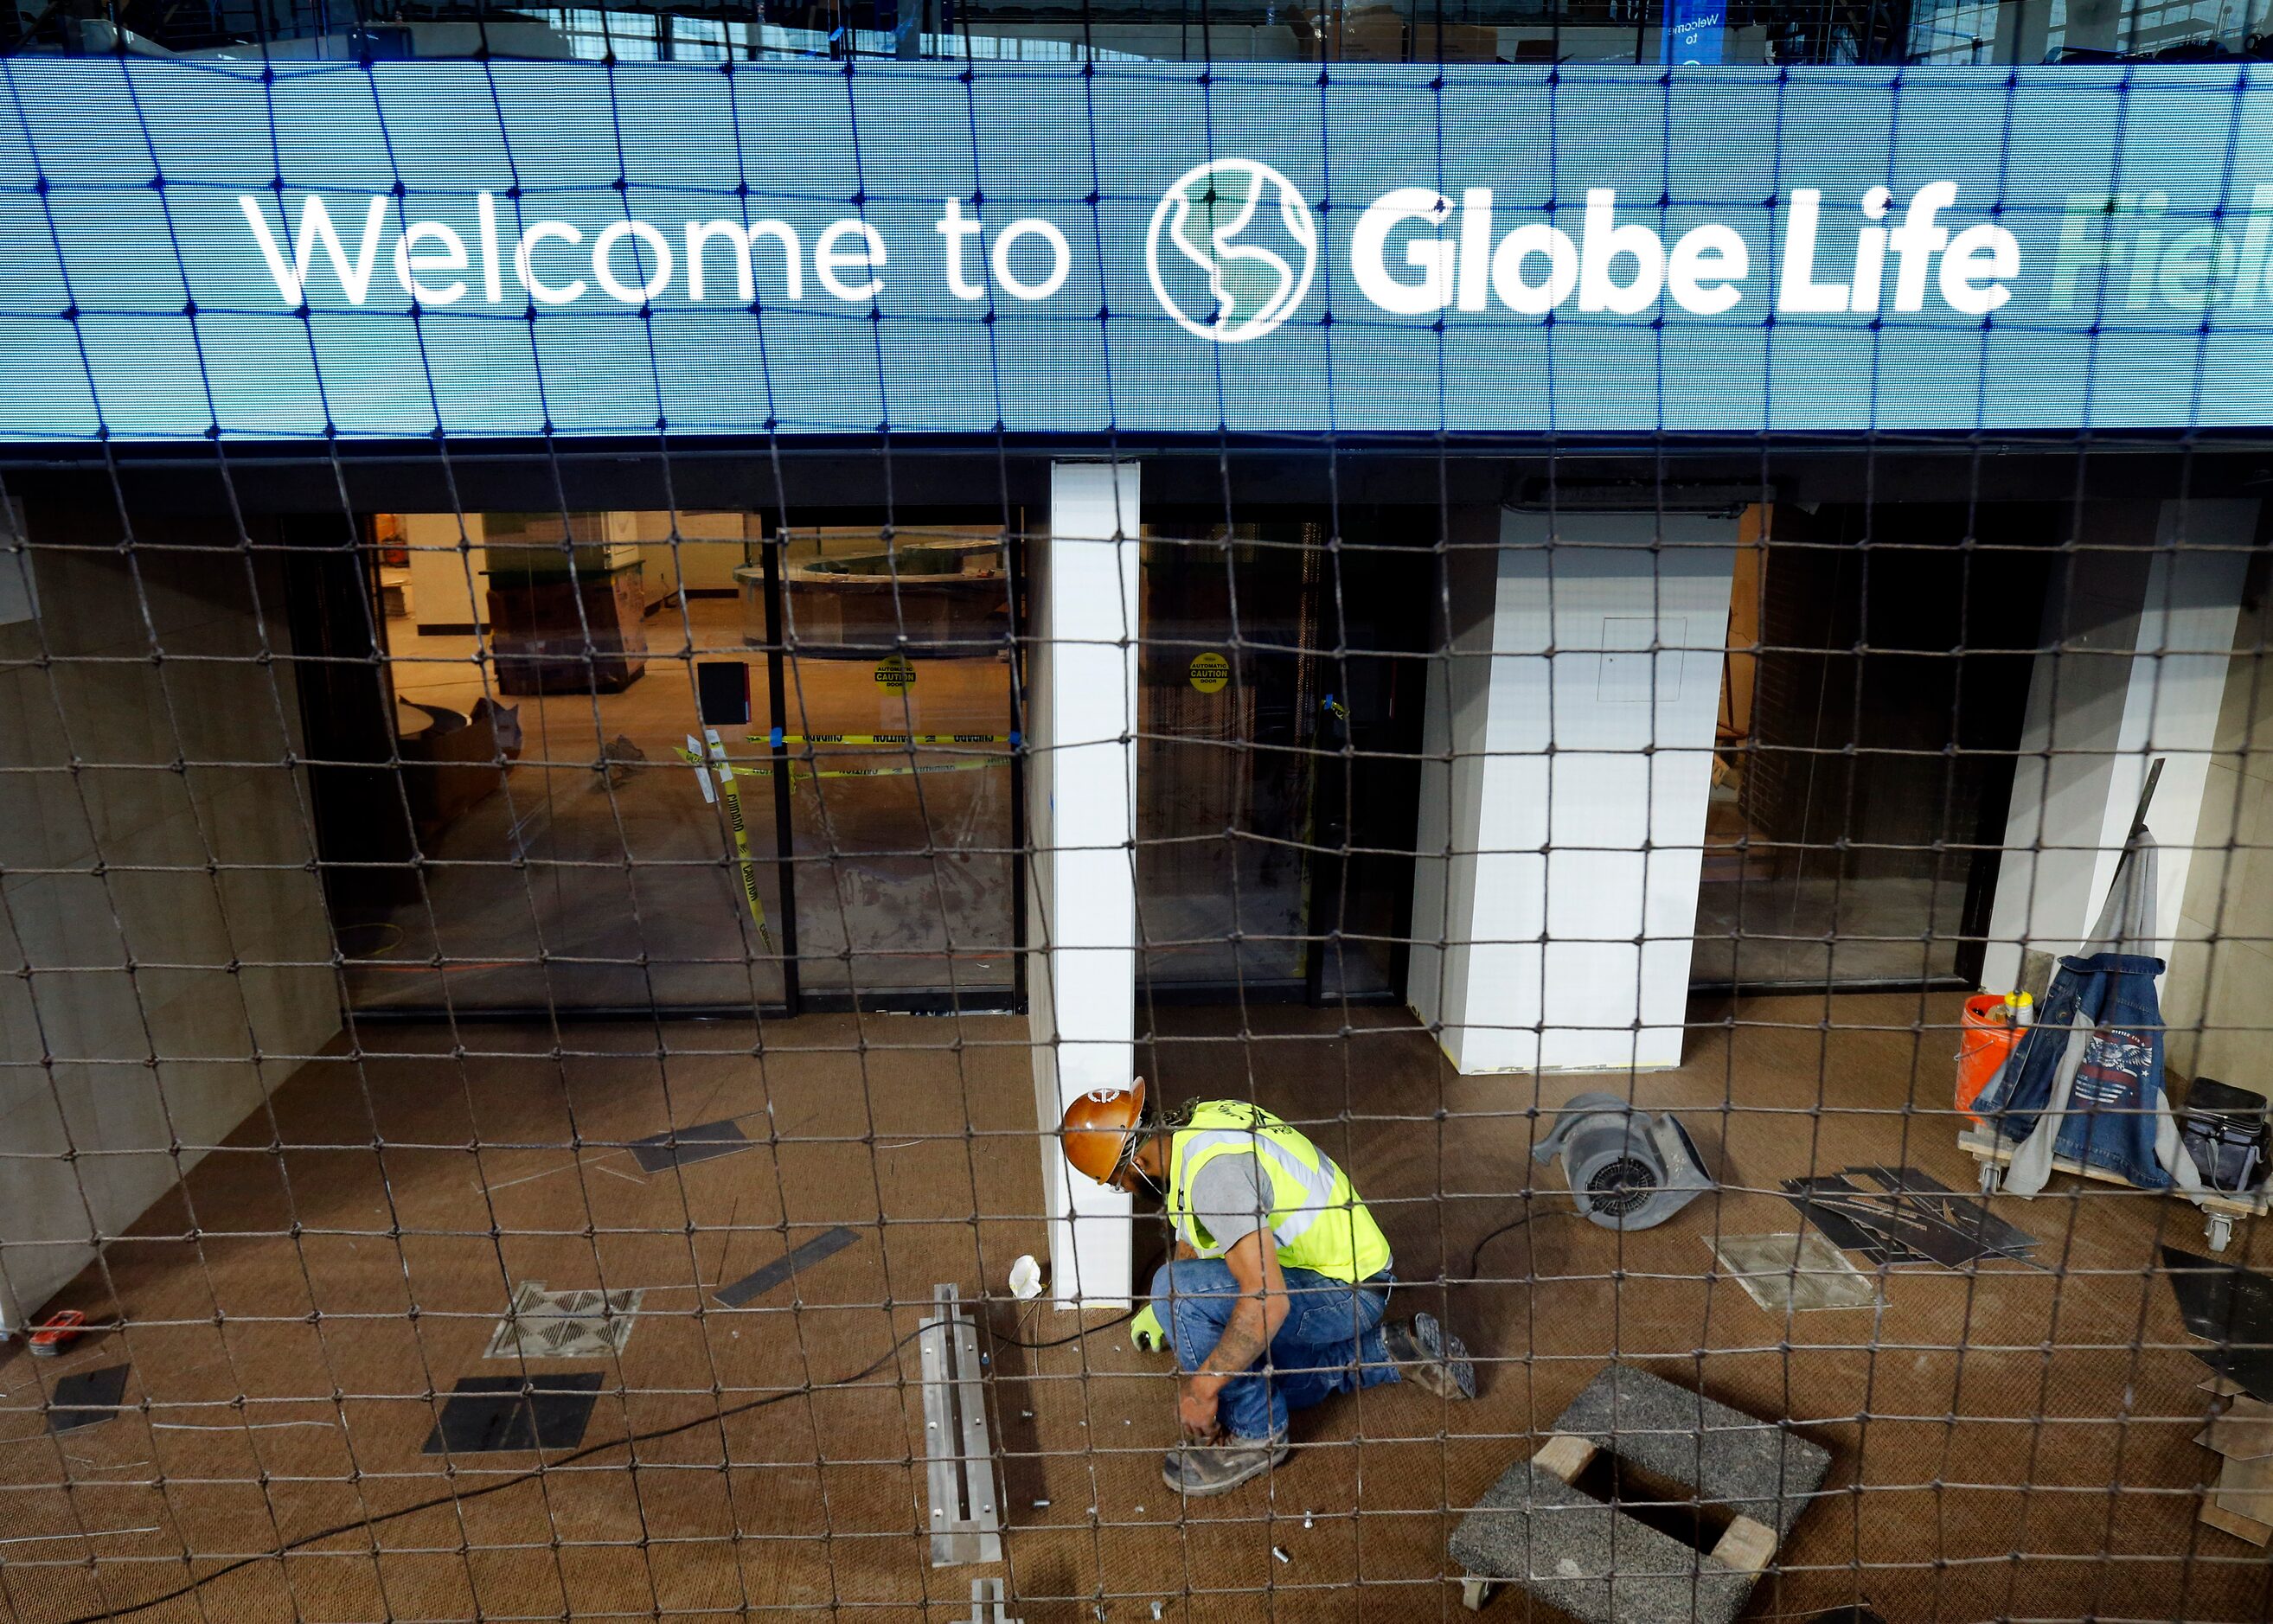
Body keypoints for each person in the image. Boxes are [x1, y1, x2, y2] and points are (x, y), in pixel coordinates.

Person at [1059, 1078, 1475, 1496]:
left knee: (1211, 1344)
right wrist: (1165, 1308)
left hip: (1348, 1294)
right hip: (1341, 1266)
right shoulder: (1195, 1126)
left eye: (1119, 1182)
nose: (1126, 1191)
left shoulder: (1216, 1178)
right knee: (1251, 1369)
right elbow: (1196, 1223)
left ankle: (1258, 1436)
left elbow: (1268, 1301)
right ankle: (1391, 1349)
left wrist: (1202, 1390)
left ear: (1136, 1166)